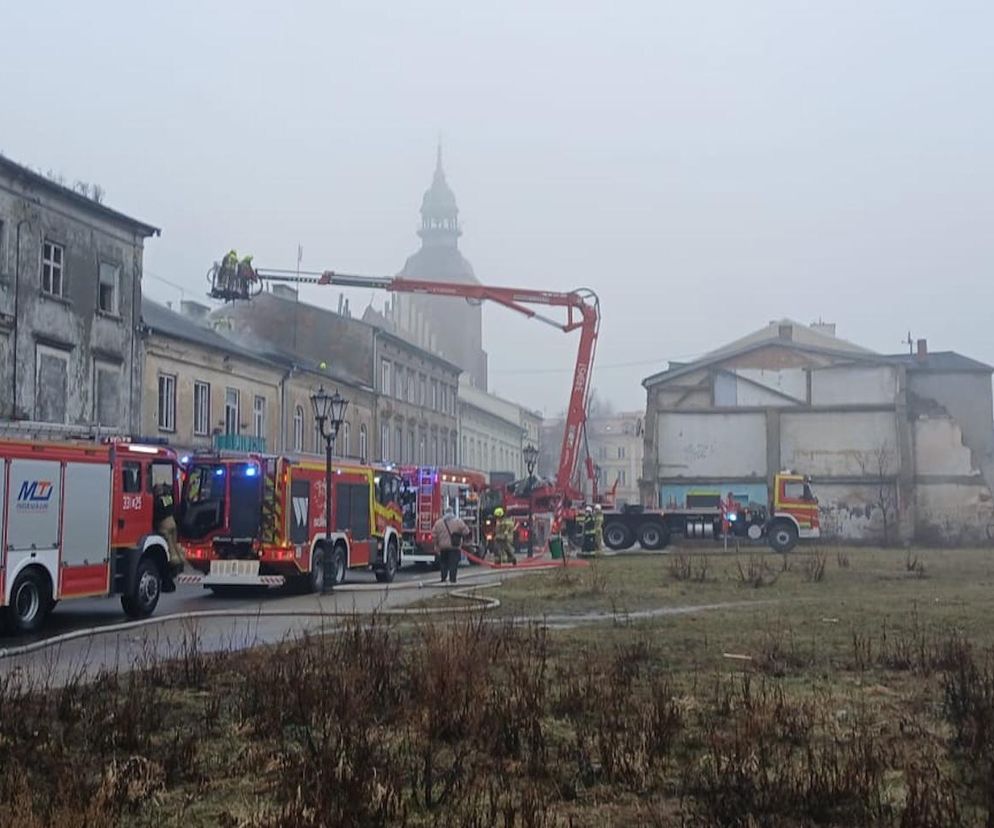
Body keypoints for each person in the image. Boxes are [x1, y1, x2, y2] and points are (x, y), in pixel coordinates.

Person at [153, 482, 186, 592]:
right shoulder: (168, 498)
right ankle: (181, 562)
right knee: (175, 544)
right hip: (172, 522)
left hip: (164, 525)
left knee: (170, 549)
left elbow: (156, 513)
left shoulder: (157, 501)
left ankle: (175, 565)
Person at [432, 507, 469, 584]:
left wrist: (436, 545)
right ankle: (452, 580)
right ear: (452, 512)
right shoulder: (458, 521)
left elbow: (434, 535)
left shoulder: (438, 523)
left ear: (444, 513)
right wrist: (459, 535)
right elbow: (466, 531)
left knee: (443, 564)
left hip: (443, 548)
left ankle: (443, 578)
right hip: (454, 547)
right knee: (453, 564)